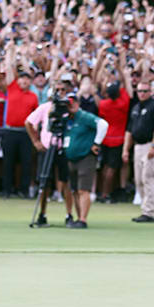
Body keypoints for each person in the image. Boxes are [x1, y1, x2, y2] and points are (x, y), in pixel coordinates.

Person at [25, 85, 76, 227]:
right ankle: (42, 214)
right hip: (46, 148)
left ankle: (69, 215)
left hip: (62, 148)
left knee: (65, 181)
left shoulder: (68, 107)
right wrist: (35, 141)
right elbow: (28, 122)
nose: (60, 93)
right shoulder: (45, 107)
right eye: (57, 90)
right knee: (44, 182)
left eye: (63, 90)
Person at [61, 93, 108, 228]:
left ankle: (83, 219)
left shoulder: (84, 116)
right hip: (71, 157)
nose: (72, 105)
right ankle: (78, 217)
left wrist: (97, 143)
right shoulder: (67, 118)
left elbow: (103, 124)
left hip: (85, 156)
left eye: (74, 102)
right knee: (74, 189)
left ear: (78, 103)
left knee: (83, 189)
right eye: (69, 103)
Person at [124, 81, 154, 223]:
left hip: (151, 144)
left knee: (149, 177)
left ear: (150, 92)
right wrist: (126, 149)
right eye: (139, 91)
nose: (141, 94)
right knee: (139, 180)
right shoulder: (136, 107)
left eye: (144, 91)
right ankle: (145, 209)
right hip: (138, 145)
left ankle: (148, 212)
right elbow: (130, 130)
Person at [1, 69, 39, 199]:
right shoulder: (12, 89)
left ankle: (24, 190)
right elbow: (9, 70)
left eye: (27, 79)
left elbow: (35, 116)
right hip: (10, 131)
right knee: (8, 162)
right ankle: (7, 190)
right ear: (18, 81)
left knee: (26, 163)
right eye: (22, 78)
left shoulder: (33, 96)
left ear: (30, 82)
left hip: (25, 132)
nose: (24, 81)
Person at [97, 81, 130, 203]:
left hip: (106, 138)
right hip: (118, 139)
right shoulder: (123, 104)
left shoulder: (104, 104)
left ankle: (103, 192)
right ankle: (106, 194)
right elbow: (125, 89)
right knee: (111, 168)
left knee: (105, 167)